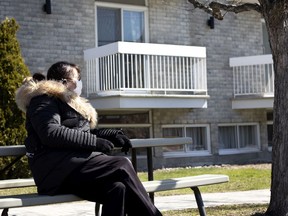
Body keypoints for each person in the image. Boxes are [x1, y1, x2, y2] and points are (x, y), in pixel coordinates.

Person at [15, 61, 162, 216]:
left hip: (72, 169)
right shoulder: (43, 99)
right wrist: (95, 142)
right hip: (55, 173)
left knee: (118, 188)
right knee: (121, 164)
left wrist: (110, 134)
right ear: (64, 82)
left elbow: (78, 133)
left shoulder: (68, 103)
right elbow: (50, 132)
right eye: (77, 79)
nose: (80, 83)